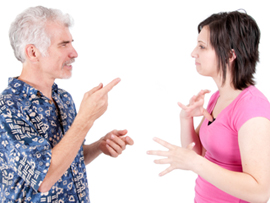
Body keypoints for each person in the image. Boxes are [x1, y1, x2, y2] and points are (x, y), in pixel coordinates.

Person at [0, 6, 134, 203]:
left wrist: (99, 146)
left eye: (71, 43)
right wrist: (86, 119)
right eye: (63, 45)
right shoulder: (8, 108)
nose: (74, 52)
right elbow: (44, 178)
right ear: (33, 52)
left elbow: (70, 158)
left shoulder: (63, 98)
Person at [147, 10, 270, 202]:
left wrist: (196, 164)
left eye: (202, 47)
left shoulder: (252, 109)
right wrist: (186, 118)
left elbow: (260, 192)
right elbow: (198, 154)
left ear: (230, 55)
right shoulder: (217, 98)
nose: (193, 53)